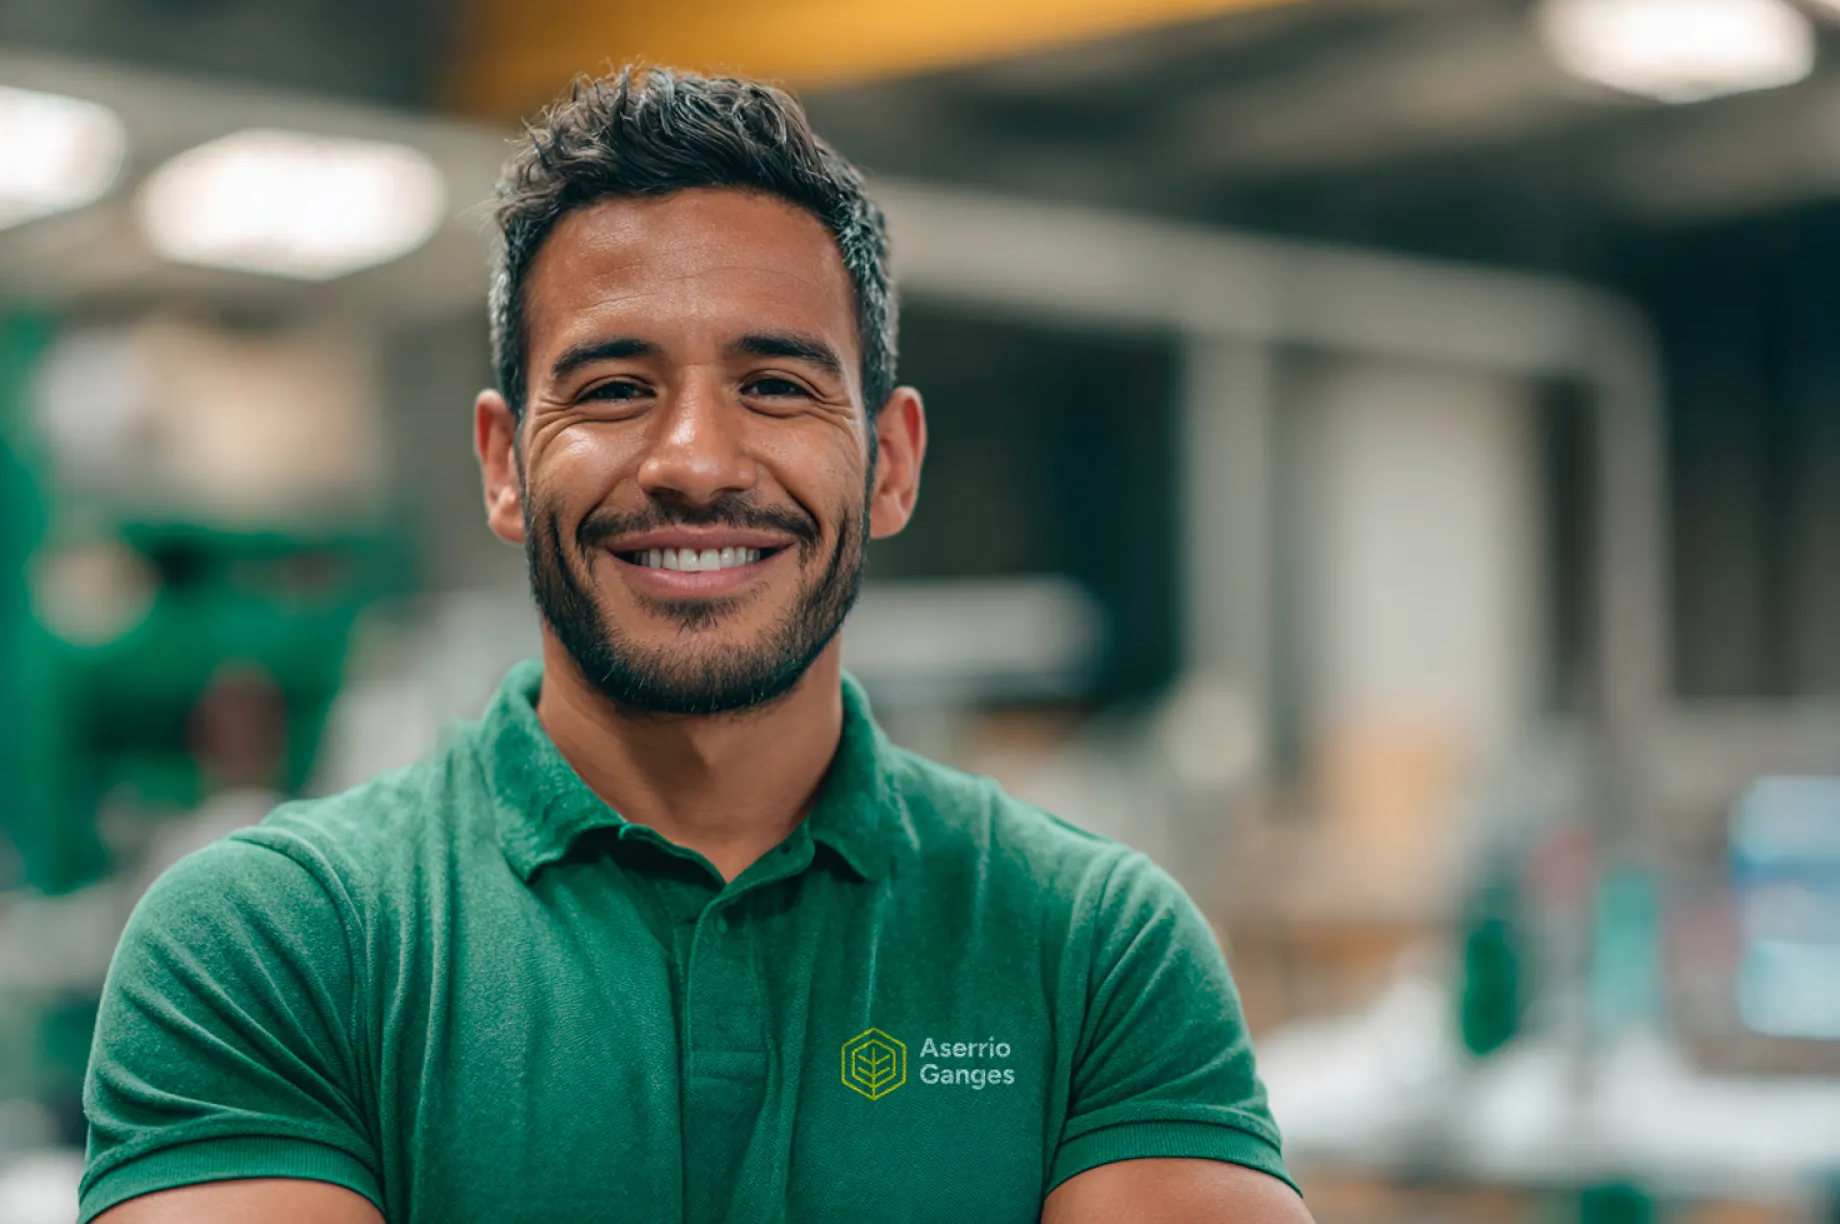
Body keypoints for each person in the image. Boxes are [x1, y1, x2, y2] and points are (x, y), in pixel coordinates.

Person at [79, 68, 1312, 1224]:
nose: (696, 464)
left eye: (776, 385)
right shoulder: (275, 942)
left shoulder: (1092, 947)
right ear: (505, 465)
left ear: (890, 464)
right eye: (615, 390)